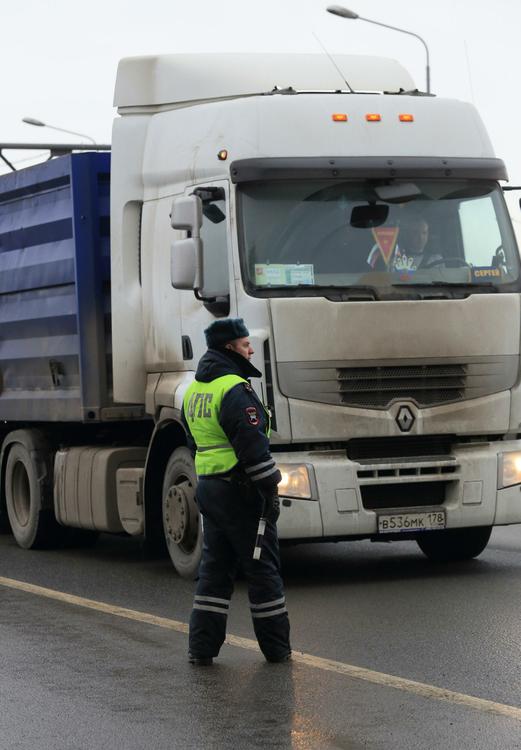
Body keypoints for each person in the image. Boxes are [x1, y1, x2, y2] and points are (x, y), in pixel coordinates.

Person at [182, 317, 291, 666]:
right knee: (262, 569)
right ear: (230, 348)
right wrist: (270, 490)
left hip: (210, 490)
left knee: (214, 571)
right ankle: (277, 650)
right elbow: (251, 444)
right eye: (246, 344)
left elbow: (193, 441)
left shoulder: (195, 390)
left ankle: (201, 649)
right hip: (240, 491)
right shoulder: (234, 389)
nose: (251, 348)